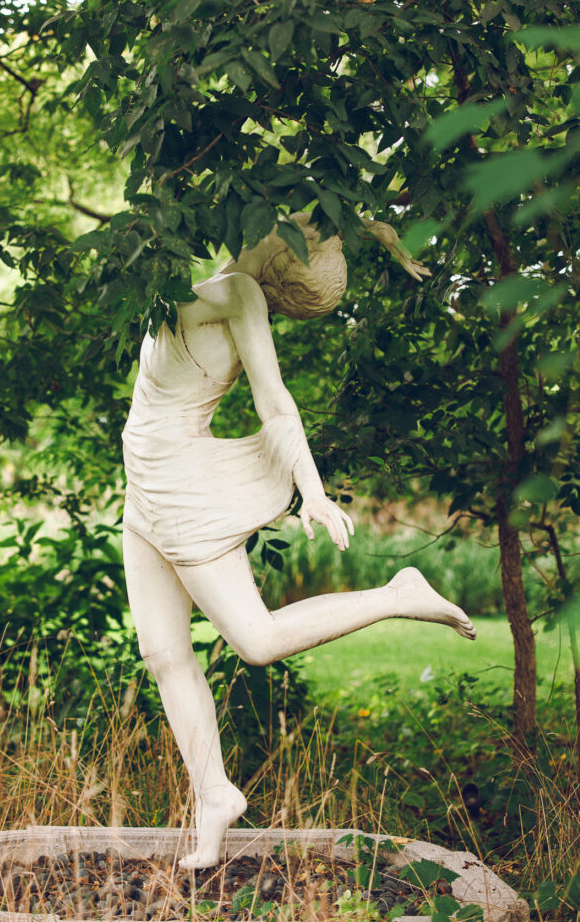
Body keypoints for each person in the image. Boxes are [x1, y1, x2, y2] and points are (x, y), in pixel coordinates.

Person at [121, 213, 475, 869]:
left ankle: (395, 593)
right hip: (142, 487)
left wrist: (309, 488)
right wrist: (362, 223)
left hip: (180, 489)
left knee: (253, 640)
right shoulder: (208, 269)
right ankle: (214, 796)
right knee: (162, 652)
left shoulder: (237, 294)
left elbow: (275, 402)